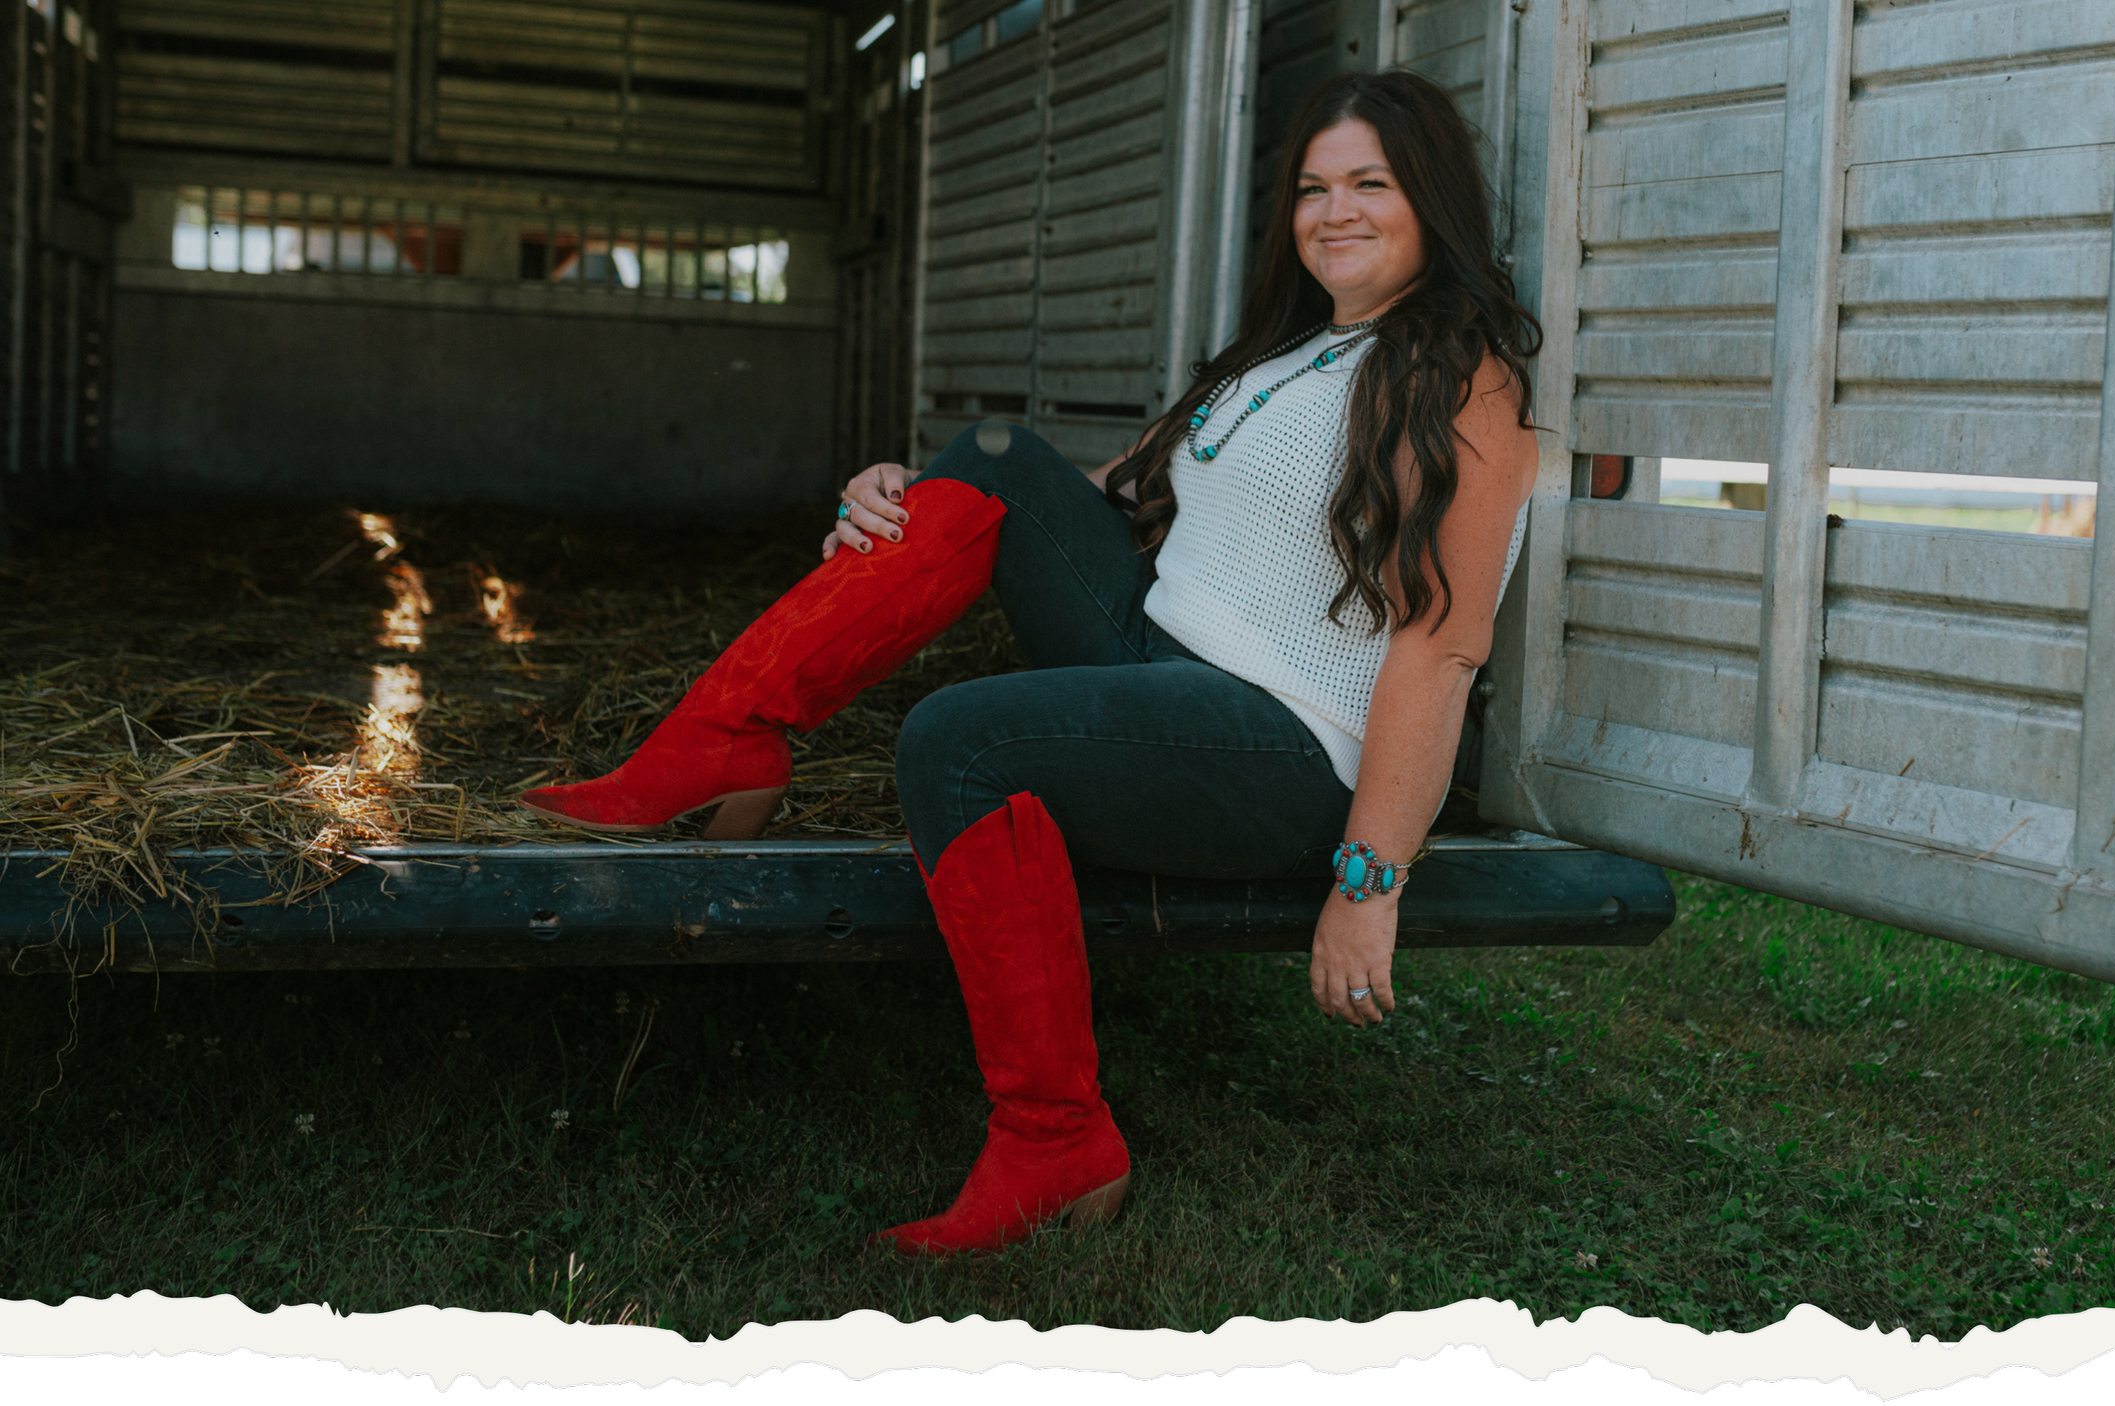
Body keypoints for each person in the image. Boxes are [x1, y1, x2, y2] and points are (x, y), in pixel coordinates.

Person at [518, 70, 1541, 1256]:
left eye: (1371, 182)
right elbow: (1100, 497)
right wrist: (910, 496)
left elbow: (1444, 642)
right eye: (1314, 187)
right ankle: (723, 736)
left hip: (1283, 745)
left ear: (1433, 199)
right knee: (994, 451)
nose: (1334, 210)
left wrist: (1371, 883)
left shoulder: (1460, 379)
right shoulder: (1289, 355)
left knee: (961, 741)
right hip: (1163, 655)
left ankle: (1056, 1136)